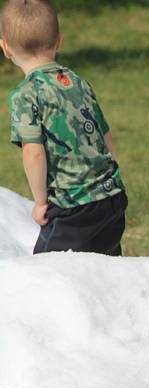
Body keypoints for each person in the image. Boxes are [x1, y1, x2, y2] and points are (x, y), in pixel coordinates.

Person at [1, 0, 127, 255]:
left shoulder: (26, 95)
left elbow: (33, 153)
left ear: (5, 48)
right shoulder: (77, 82)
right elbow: (104, 135)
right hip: (112, 197)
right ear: (59, 40)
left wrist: (40, 203)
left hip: (73, 207)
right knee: (106, 270)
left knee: (47, 273)